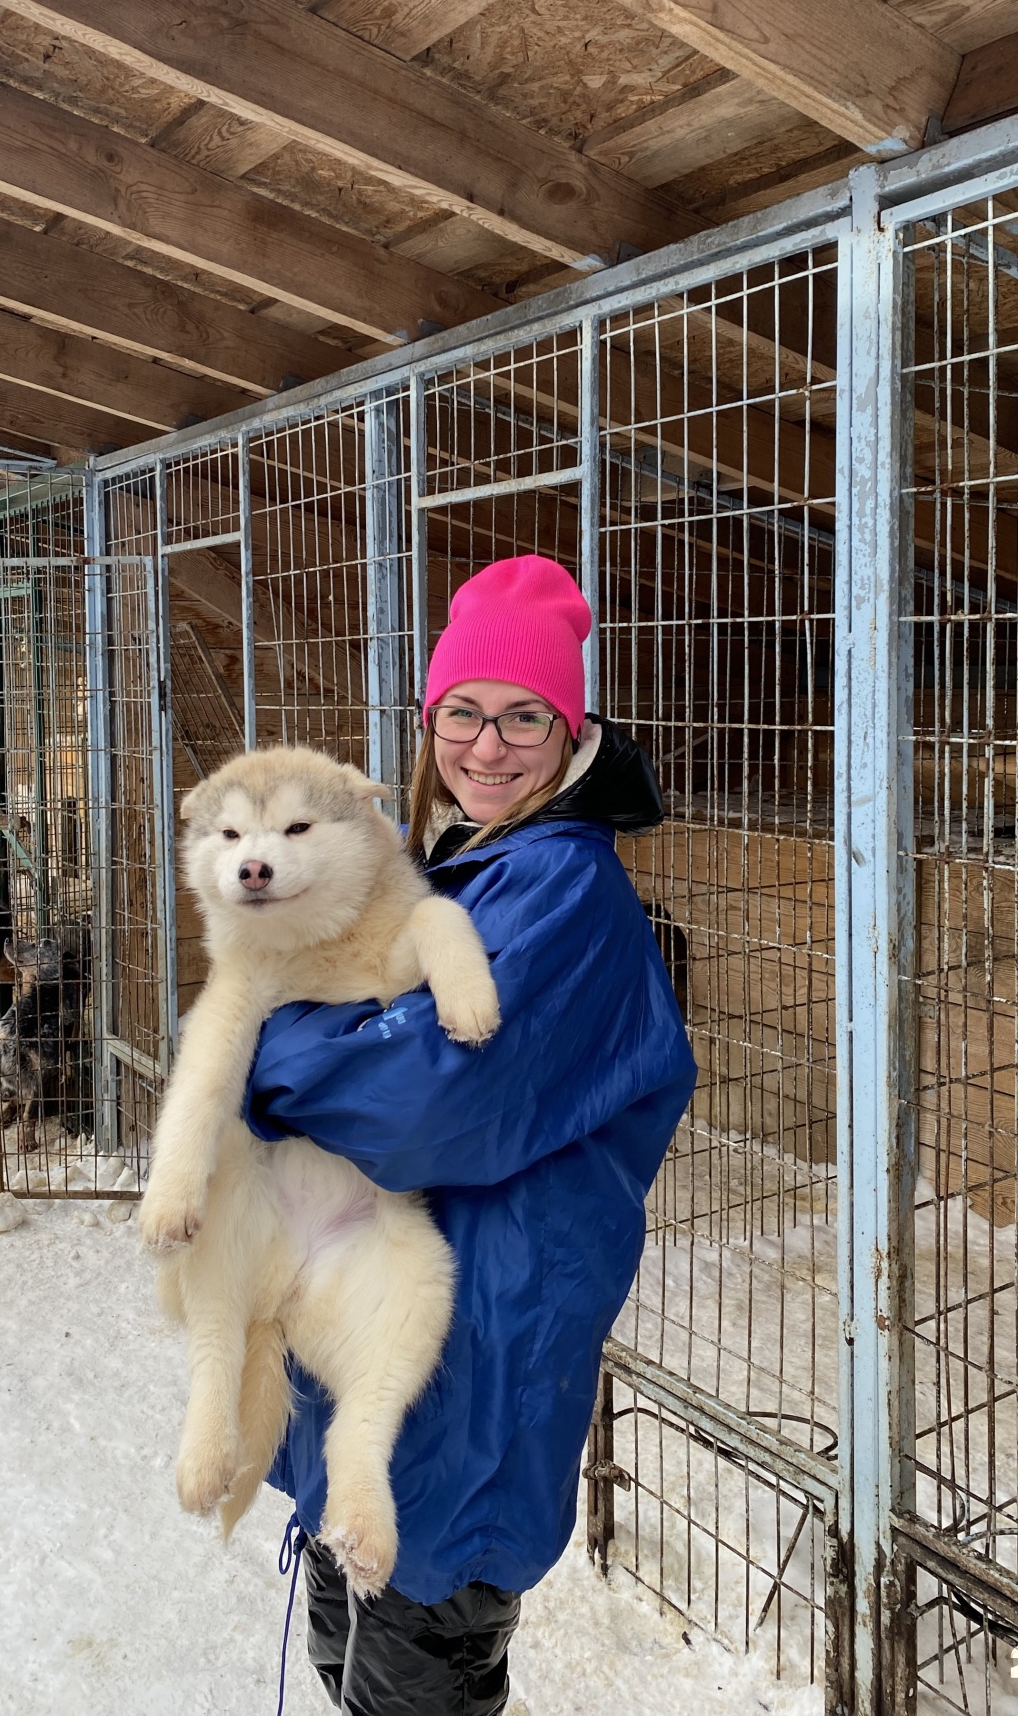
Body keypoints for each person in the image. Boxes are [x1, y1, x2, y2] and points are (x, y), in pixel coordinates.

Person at [246, 554, 696, 1716]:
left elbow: (428, 1098)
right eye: (464, 712)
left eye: (522, 718)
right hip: (376, 1352)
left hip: (475, 1367)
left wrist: (272, 1051)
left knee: (414, 1674)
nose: (487, 747)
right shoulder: (457, 861)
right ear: (429, 715)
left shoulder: (563, 891)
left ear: (572, 725)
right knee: (348, 1652)